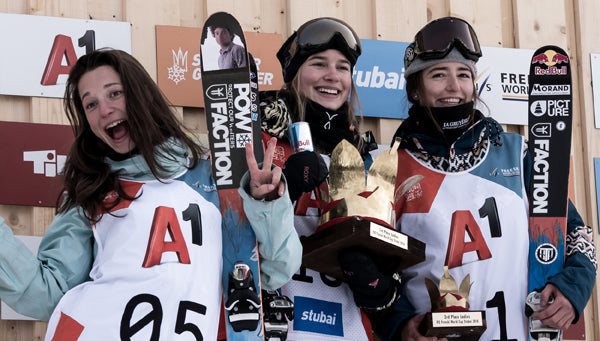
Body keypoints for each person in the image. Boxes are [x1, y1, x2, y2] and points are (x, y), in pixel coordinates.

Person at [0, 49, 301, 340]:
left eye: (114, 93)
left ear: (141, 94)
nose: (104, 109)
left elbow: (274, 270)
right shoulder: (89, 193)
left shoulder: (213, 175)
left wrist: (267, 204)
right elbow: (48, 294)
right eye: (90, 104)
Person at [373, 17, 597, 341]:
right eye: (439, 75)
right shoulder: (390, 169)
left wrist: (573, 288)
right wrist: (400, 324)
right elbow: (374, 273)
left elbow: (573, 232)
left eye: (464, 75)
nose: (454, 87)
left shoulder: (518, 154)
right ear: (416, 90)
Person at [260, 17, 398, 340]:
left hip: (349, 328)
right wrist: (282, 193)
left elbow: (395, 267)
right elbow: (232, 246)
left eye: (342, 67)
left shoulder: (369, 157)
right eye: (318, 64)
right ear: (294, 74)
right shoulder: (260, 143)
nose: (332, 77)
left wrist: (379, 289)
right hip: (280, 327)